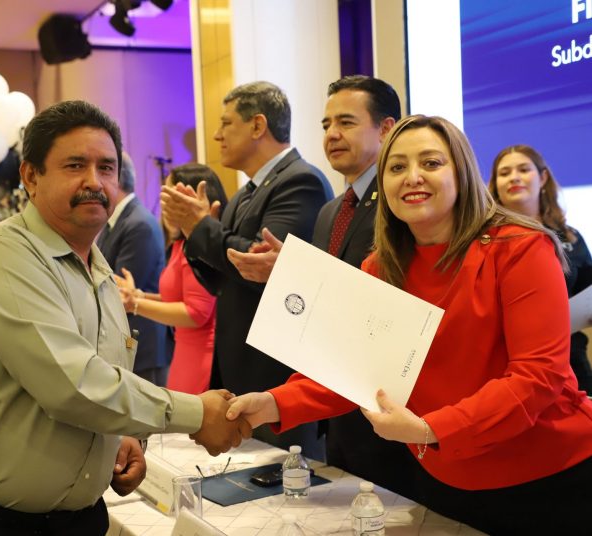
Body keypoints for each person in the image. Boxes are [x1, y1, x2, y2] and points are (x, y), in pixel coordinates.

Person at [0, 100, 251, 536]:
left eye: (106, 168)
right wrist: (197, 413)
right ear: (30, 177)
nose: (94, 182)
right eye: (75, 165)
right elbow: (72, 385)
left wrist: (119, 439)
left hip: (73, 521)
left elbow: (102, 379)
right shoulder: (1, 256)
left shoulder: (99, 272)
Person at [226, 115, 592, 534]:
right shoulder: (381, 267)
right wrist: (273, 403)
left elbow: (538, 377)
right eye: (397, 167)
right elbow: (355, 370)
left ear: (462, 172)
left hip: (548, 479)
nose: (412, 177)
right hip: (444, 476)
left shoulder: (520, 248)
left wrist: (432, 428)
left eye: (431, 163)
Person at [227, 76, 411, 492]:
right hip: (335, 406)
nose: (332, 134)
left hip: (390, 410)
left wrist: (297, 273)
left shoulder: (400, 204)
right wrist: (293, 275)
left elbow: (383, 304)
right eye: (326, 125)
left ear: (386, 129)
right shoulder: (331, 210)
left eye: (346, 122)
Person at [160, 81, 333, 459]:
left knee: (291, 478)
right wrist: (194, 232)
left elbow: (258, 267)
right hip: (242, 369)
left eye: (226, 123)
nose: (217, 135)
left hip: (277, 374)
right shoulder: (244, 193)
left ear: (257, 125)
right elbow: (221, 280)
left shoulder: (299, 181)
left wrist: (201, 227)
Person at [115, 164, 228, 394]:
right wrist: (139, 296)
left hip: (200, 357)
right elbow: (179, 299)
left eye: (172, 198)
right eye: (164, 197)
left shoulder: (199, 247)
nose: (165, 206)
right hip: (184, 355)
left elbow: (196, 313)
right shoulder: (180, 244)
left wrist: (135, 304)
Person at [489, 144, 592, 394]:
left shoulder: (570, 235)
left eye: (523, 169)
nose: (514, 177)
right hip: (512, 368)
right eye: (504, 173)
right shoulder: (485, 240)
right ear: (495, 185)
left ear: (543, 178)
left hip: (572, 358)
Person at [96, 152, 169, 386]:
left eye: (101, 173)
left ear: (115, 179)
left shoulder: (138, 224)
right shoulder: (117, 221)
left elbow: (119, 288)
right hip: (127, 339)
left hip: (143, 344)